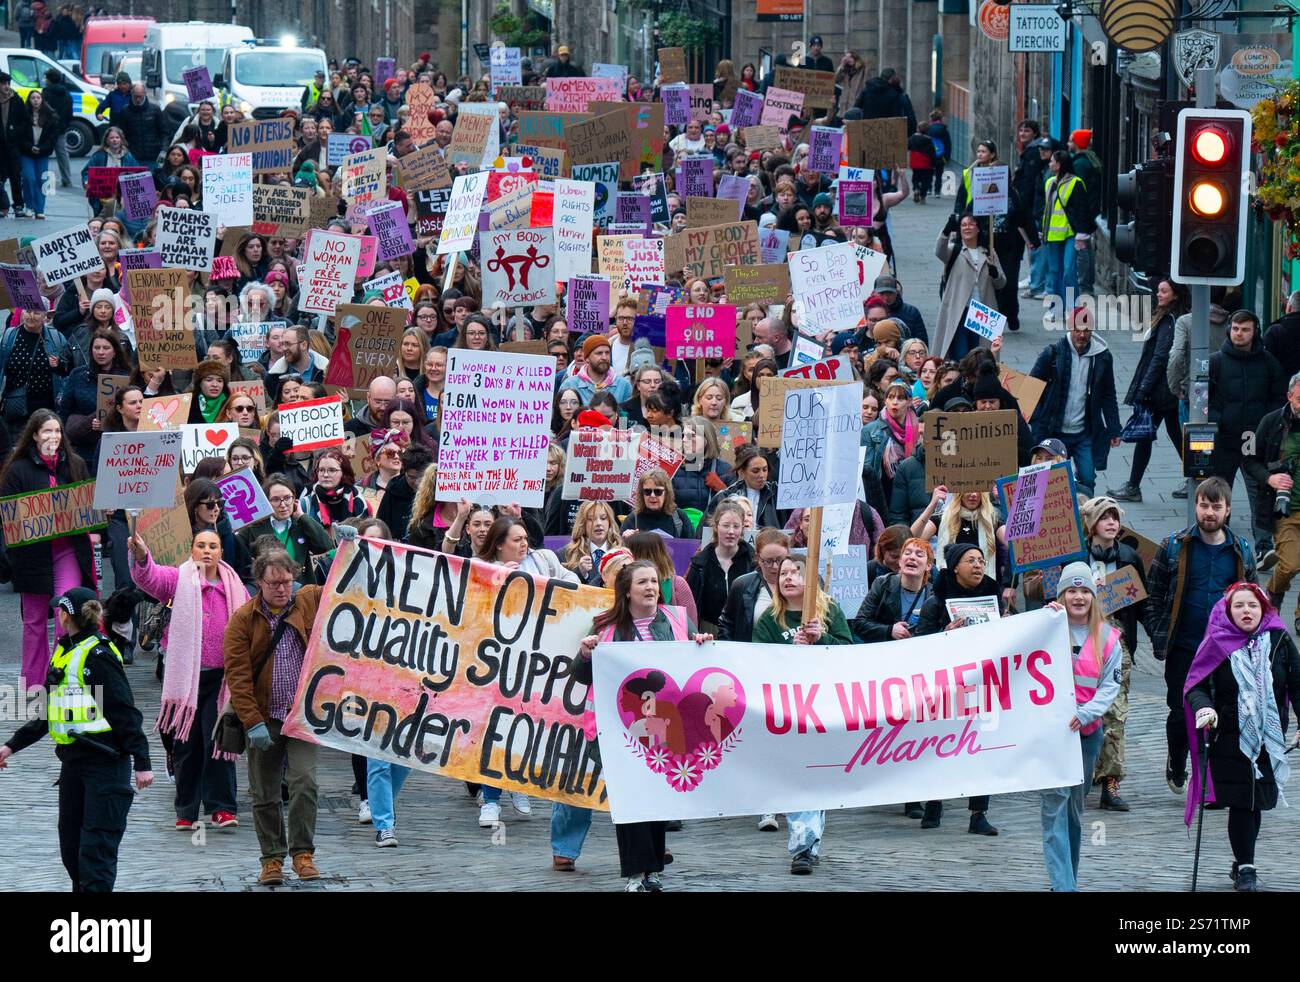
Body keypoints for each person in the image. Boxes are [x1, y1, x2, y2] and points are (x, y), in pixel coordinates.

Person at [569, 560, 712, 889]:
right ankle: (637, 874)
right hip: (621, 730)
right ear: (626, 591)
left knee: (657, 798)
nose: (650, 588)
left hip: (665, 729)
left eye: (653, 582)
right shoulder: (604, 626)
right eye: (642, 582)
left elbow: (696, 660)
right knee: (631, 798)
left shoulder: (677, 619)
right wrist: (587, 655)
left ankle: (653, 870)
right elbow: (579, 675)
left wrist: (701, 642)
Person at [0, 588, 153, 891]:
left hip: (106, 765)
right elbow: (47, 714)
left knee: (95, 854)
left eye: (60, 609)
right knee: (72, 850)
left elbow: (124, 711)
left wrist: (142, 762)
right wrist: (10, 746)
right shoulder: (64, 651)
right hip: (74, 765)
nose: (57, 613)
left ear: (66, 615)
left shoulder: (98, 655)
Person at [1184, 583, 1300, 892]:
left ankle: (1243, 862)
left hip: (1267, 733)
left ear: (1263, 609)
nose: (1246, 611)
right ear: (1227, 611)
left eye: (1252, 605)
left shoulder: (1279, 640)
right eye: (1239, 606)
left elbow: (1297, 682)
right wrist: (1204, 708)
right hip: (1228, 735)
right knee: (1241, 801)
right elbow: (1196, 684)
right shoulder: (1216, 643)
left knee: (1255, 801)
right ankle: (1247, 868)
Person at [1146, 477, 1258, 796]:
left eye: (1216, 507)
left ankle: (1206, 778)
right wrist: (1158, 634)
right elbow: (1153, 593)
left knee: (1219, 712)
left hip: (1224, 651)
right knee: (1181, 713)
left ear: (1227, 510)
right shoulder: (1174, 545)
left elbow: (1252, 598)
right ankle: (1177, 758)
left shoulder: (1241, 551)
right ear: (1195, 506)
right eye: (1204, 505)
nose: (1209, 512)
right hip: (1184, 647)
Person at [129, 528, 245, 831]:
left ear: (221, 551)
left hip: (221, 679)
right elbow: (149, 578)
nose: (207, 551)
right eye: (201, 545)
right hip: (186, 681)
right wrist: (141, 556)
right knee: (186, 745)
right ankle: (186, 809)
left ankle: (222, 807)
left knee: (218, 742)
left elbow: (248, 624)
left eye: (213, 546)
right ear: (192, 550)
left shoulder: (234, 586)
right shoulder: (178, 579)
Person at [223, 548, 326, 886]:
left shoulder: (308, 599)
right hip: (264, 717)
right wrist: (251, 722)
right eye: (274, 583)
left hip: (301, 716)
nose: (282, 589)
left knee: (304, 783)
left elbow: (346, 584)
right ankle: (271, 859)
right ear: (259, 582)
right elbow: (237, 676)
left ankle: (302, 853)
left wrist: (349, 547)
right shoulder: (242, 619)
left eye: (287, 581)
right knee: (264, 792)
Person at [752, 554, 851, 872]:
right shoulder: (770, 619)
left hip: (823, 705)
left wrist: (822, 638)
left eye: (796, 571)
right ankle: (805, 845)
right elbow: (757, 661)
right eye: (783, 573)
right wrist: (788, 653)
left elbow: (850, 653)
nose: (788, 577)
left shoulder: (830, 611)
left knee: (815, 773)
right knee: (797, 773)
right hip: (787, 709)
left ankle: (807, 845)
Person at [1041, 563, 1123, 892]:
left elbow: (1109, 686)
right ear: (1062, 595)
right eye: (1071, 591)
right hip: (1051, 736)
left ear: (1093, 596)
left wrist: (1088, 713)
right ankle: (1063, 886)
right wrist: (1041, 620)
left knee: (1074, 810)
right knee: (1054, 807)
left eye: (1084, 590)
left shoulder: (1108, 637)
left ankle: (1067, 879)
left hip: (1087, 736)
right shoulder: (1046, 627)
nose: (1078, 597)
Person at [1, 411, 97, 692]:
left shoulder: (76, 465)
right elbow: (7, 515)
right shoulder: (18, 469)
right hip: (32, 555)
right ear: (34, 436)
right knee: (33, 621)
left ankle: (62, 674)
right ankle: (34, 684)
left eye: (57, 431)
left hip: (68, 550)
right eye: (46, 432)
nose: (53, 437)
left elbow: (87, 506)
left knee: (66, 613)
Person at [914, 541, 1005, 834]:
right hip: (945, 688)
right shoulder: (935, 602)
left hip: (982, 684)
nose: (978, 565)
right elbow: (920, 645)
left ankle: (979, 813)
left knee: (983, 748)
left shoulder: (994, 596)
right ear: (955, 568)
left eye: (981, 560)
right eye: (971, 560)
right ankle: (933, 801)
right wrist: (945, 634)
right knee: (939, 746)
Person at [1079, 495, 1148, 811]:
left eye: (1115, 518)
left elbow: (1143, 606)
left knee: (1115, 712)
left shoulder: (1129, 557)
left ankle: (1111, 781)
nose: (1111, 523)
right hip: (1078, 645)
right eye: (1105, 517)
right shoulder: (1075, 559)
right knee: (1080, 708)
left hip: (1117, 644)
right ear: (1091, 524)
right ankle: (1082, 771)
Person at [1206, 310, 1286, 556]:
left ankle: (1263, 546)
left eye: (1245, 329)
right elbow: (1201, 398)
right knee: (1220, 491)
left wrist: (1266, 426)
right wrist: (1218, 421)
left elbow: (1278, 397)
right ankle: (1219, 542)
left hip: (1252, 439)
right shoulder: (1216, 361)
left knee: (1259, 490)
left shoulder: (1267, 361)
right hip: (1225, 438)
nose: (1239, 334)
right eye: (1236, 329)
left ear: (1255, 332)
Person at [1027, 305, 1122, 497]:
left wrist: (1114, 428)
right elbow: (1031, 388)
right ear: (1070, 328)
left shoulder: (1102, 357)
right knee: (1047, 481)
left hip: (1083, 432)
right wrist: (1036, 422)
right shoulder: (1053, 354)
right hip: (1054, 431)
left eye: (1086, 330)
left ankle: (1086, 520)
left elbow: (1108, 394)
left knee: (1087, 478)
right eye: (1077, 329)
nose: (1081, 335)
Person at [1109, 278, 1187, 502]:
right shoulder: (1169, 318)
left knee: (1146, 436)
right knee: (1175, 435)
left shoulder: (1169, 321)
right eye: (1159, 291)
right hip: (1167, 391)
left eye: (1164, 291)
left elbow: (1161, 357)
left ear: (1176, 295)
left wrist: (1144, 389)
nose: (1159, 294)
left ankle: (1133, 487)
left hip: (1159, 391)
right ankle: (1198, 479)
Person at [1247, 372, 1300, 610]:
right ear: (1289, 396)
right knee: (1290, 564)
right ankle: (1274, 591)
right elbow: (1249, 461)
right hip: (1285, 510)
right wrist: (1270, 478)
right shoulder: (1271, 422)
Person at [236, 475, 335, 585]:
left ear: (294, 498)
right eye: (275, 500)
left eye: (287, 498)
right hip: (267, 589)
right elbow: (237, 557)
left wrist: (302, 517)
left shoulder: (301, 523)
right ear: (266, 501)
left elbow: (326, 545)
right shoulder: (253, 527)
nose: (283, 505)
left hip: (300, 590)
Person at [933, 213, 1005, 361]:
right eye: (963, 225)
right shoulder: (954, 250)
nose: (967, 227)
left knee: (982, 357)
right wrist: (946, 231)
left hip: (983, 314)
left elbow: (1001, 283)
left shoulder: (989, 253)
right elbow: (939, 251)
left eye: (971, 224)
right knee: (961, 356)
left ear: (978, 228)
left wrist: (995, 273)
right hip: (960, 312)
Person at [686, 501, 754, 634]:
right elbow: (690, 603)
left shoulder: (752, 561)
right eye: (726, 525)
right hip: (708, 630)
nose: (731, 532)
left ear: (742, 529)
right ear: (716, 527)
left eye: (736, 526)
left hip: (742, 629)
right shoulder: (700, 564)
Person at [1036, 150, 1091, 308]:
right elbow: (1047, 209)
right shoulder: (1049, 182)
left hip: (1071, 234)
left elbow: (1082, 210)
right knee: (1054, 272)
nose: (1050, 163)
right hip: (1053, 235)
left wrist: (1081, 235)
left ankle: (1073, 308)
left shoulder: (1076, 183)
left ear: (1059, 165)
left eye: (1052, 161)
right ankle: (1057, 307)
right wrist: (1042, 230)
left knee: (1068, 271)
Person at [852, 536, 933, 643]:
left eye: (919, 555)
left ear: (928, 566)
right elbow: (859, 624)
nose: (912, 557)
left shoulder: (933, 594)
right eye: (907, 553)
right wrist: (889, 630)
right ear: (900, 562)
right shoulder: (882, 584)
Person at [717, 528, 790, 644]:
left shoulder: (804, 583)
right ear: (758, 559)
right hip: (751, 657)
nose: (775, 566)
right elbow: (726, 625)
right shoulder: (742, 585)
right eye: (768, 561)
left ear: (789, 555)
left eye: (781, 560)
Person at [708, 445, 780, 528]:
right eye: (755, 471)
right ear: (741, 472)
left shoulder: (777, 494)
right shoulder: (725, 496)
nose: (762, 475)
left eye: (765, 469)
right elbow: (707, 531)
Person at [298, 449, 368, 528]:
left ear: (344, 473)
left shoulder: (359, 499)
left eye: (332, 470)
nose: (325, 475)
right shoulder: (305, 503)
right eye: (321, 470)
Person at [561, 500, 623, 586]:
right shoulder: (565, 554)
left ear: (610, 522)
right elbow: (562, 590)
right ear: (582, 523)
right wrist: (580, 572)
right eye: (591, 519)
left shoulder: (622, 551)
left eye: (603, 518)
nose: (598, 523)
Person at [18, 90, 58, 219]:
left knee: (42, 179)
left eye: (38, 97)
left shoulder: (50, 116)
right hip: (27, 152)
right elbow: (20, 136)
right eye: (33, 98)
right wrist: (30, 147)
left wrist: (41, 148)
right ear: (29, 101)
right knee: (29, 178)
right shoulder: (24, 115)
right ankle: (29, 206)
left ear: (42, 100)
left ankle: (39, 209)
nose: (35, 100)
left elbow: (52, 138)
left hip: (42, 153)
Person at [558, 335, 632, 404]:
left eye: (607, 353)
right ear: (587, 358)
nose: (604, 357)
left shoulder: (623, 386)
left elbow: (628, 416)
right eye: (599, 353)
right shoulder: (570, 385)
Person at [624, 467, 695, 537]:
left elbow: (692, 546)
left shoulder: (680, 518)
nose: (652, 495)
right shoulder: (633, 519)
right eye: (647, 491)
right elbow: (619, 546)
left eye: (658, 491)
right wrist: (625, 539)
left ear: (667, 493)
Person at [0, 73, 31, 217]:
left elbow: (25, 122)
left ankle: (18, 205)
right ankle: (2, 207)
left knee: (15, 177)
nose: (6, 86)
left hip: (13, 146)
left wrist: (14, 132)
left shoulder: (17, 100)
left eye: (7, 83)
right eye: (3, 83)